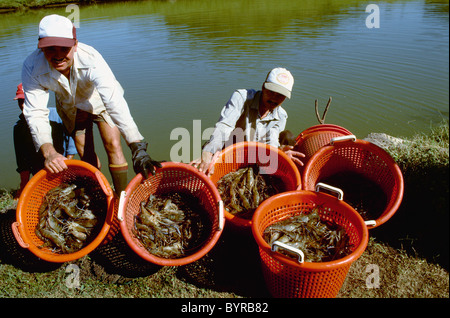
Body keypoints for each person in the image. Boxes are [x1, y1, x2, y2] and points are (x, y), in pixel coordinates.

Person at [21, 14, 161, 195]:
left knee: (113, 145)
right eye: (50, 49)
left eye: (64, 48)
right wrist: (49, 151)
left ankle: (121, 198)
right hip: (69, 105)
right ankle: (100, 194)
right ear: (40, 47)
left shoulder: (91, 59)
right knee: (84, 152)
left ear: (75, 44)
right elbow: (35, 112)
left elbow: (114, 101)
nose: (58, 56)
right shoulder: (32, 66)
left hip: (99, 100)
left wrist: (137, 147)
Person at [191, 67, 305, 174]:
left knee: (288, 138)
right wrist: (208, 153)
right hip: (227, 149)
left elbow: (272, 142)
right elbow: (224, 126)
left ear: (285, 97)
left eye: (280, 95)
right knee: (205, 166)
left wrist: (279, 154)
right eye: (271, 92)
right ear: (263, 87)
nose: (274, 98)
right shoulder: (241, 97)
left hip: (253, 156)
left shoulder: (281, 116)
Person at [13, 83, 77, 198]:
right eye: (20, 101)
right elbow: (22, 161)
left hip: (61, 164)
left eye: (27, 101)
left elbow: (71, 141)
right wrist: (23, 186)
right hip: (40, 172)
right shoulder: (18, 128)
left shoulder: (57, 115)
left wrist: (67, 162)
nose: (23, 106)